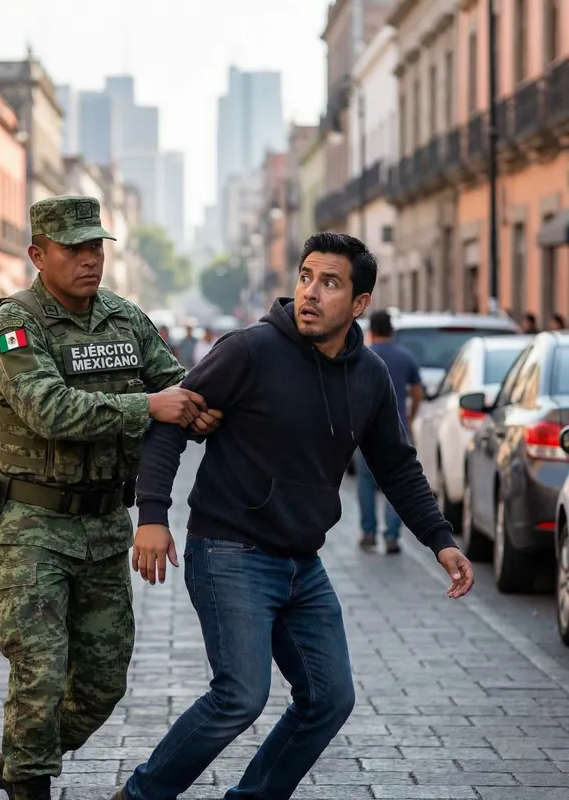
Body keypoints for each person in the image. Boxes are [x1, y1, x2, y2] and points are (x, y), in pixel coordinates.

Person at [111, 232, 474, 800]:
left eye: (330, 283)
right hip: (229, 550)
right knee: (240, 695)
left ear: (359, 304)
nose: (310, 292)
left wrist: (440, 539)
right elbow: (170, 421)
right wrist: (152, 514)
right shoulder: (250, 350)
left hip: (302, 563)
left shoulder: (372, 376)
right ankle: (141, 795)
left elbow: (396, 466)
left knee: (330, 698)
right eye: (306, 276)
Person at [0, 194, 222, 800]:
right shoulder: (15, 323)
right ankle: (31, 783)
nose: (90, 260)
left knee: (104, 678)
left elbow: (176, 384)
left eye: (96, 248)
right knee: (38, 670)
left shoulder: (125, 318)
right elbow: (47, 409)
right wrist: (150, 406)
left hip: (106, 524)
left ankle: (21, 758)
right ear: (38, 254)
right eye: (74, 249)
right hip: (33, 523)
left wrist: (207, 406)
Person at [356, 309, 423, 553]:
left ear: (371, 331)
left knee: (365, 482)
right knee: (395, 480)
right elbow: (417, 392)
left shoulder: (363, 356)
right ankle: (392, 536)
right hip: (397, 429)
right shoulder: (405, 357)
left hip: (364, 431)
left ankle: (368, 532)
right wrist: (410, 416)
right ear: (391, 331)